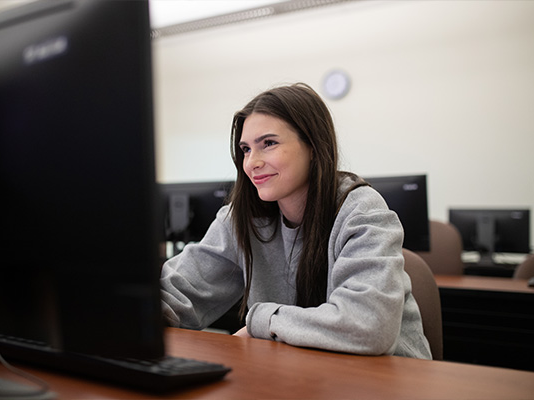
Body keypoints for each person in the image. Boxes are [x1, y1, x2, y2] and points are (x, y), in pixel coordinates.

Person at [160, 83, 432, 359]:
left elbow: (368, 326)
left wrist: (261, 321)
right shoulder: (241, 218)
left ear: (313, 146)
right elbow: (178, 293)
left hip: (389, 381)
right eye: (245, 149)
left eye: (269, 143)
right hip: (299, 374)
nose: (251, 162)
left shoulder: (360, 210)